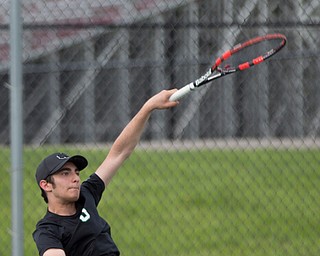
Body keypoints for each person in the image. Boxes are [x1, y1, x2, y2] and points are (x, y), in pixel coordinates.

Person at [33, 89, 179, 256]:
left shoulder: (85, 195)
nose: (75, 178)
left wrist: (148, 107)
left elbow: (119, 153)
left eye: (76, 173)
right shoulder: (48, 231)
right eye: (65, 173)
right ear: (46, 185)